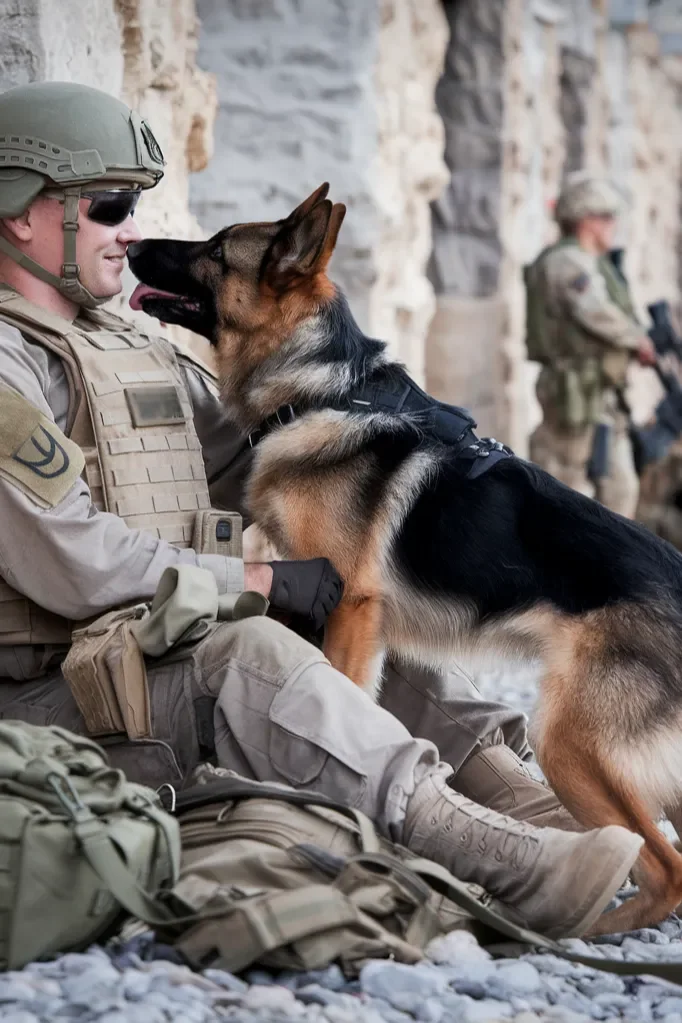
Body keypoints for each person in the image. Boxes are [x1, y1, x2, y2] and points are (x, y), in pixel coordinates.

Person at [0, 81, 643, 939]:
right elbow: (72, 560)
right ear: (21, 214)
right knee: (253, 645)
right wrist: (258, 577)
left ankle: (533, 807)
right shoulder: (10, 368)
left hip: (138, 662)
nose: (132, 232)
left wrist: (400, 436)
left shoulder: (125, 347)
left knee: (361, 601)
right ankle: (499, 858)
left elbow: (279, 462)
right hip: (54, 700)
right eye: (111, 206)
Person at [524, 172, 657, 517]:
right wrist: (637, 339)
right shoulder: (565, 263)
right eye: (607, 218)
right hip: (572, 394)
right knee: (560, 489)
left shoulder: (591, 263)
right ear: (587, 220)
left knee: (620, 488)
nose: (613, 226)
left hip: (600, 395)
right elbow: (594, 312)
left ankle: (611, 564)